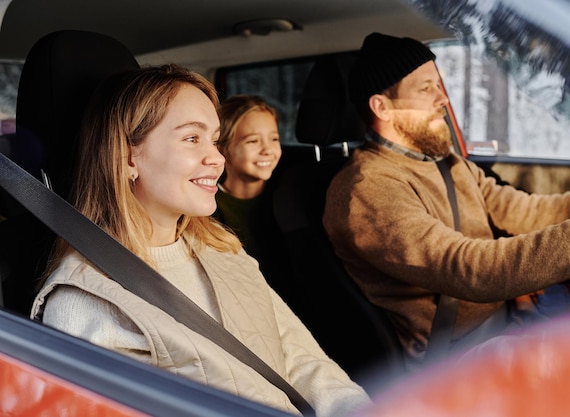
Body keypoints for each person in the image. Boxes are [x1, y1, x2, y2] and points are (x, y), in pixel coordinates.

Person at [30, 64, 370, 417]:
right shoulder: (87, 302)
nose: (217, 158)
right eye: (192, 138)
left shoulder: (223, 247)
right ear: (128, 156)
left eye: (215, 139)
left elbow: (300, 359)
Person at [322, 32, 570, 366]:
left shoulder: (444, 162)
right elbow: (470, 269)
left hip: (508, 317)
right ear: (383, 107)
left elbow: (528, 212)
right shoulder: (366, 191)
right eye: (426, 89)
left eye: (439, 85)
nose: (443, 99)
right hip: (457, 355)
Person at [213, 95, 294, 300]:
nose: (267, 150)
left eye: (274, 139)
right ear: (223, 149)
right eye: (253, 141)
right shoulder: (211, 208)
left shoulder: (291, 197)